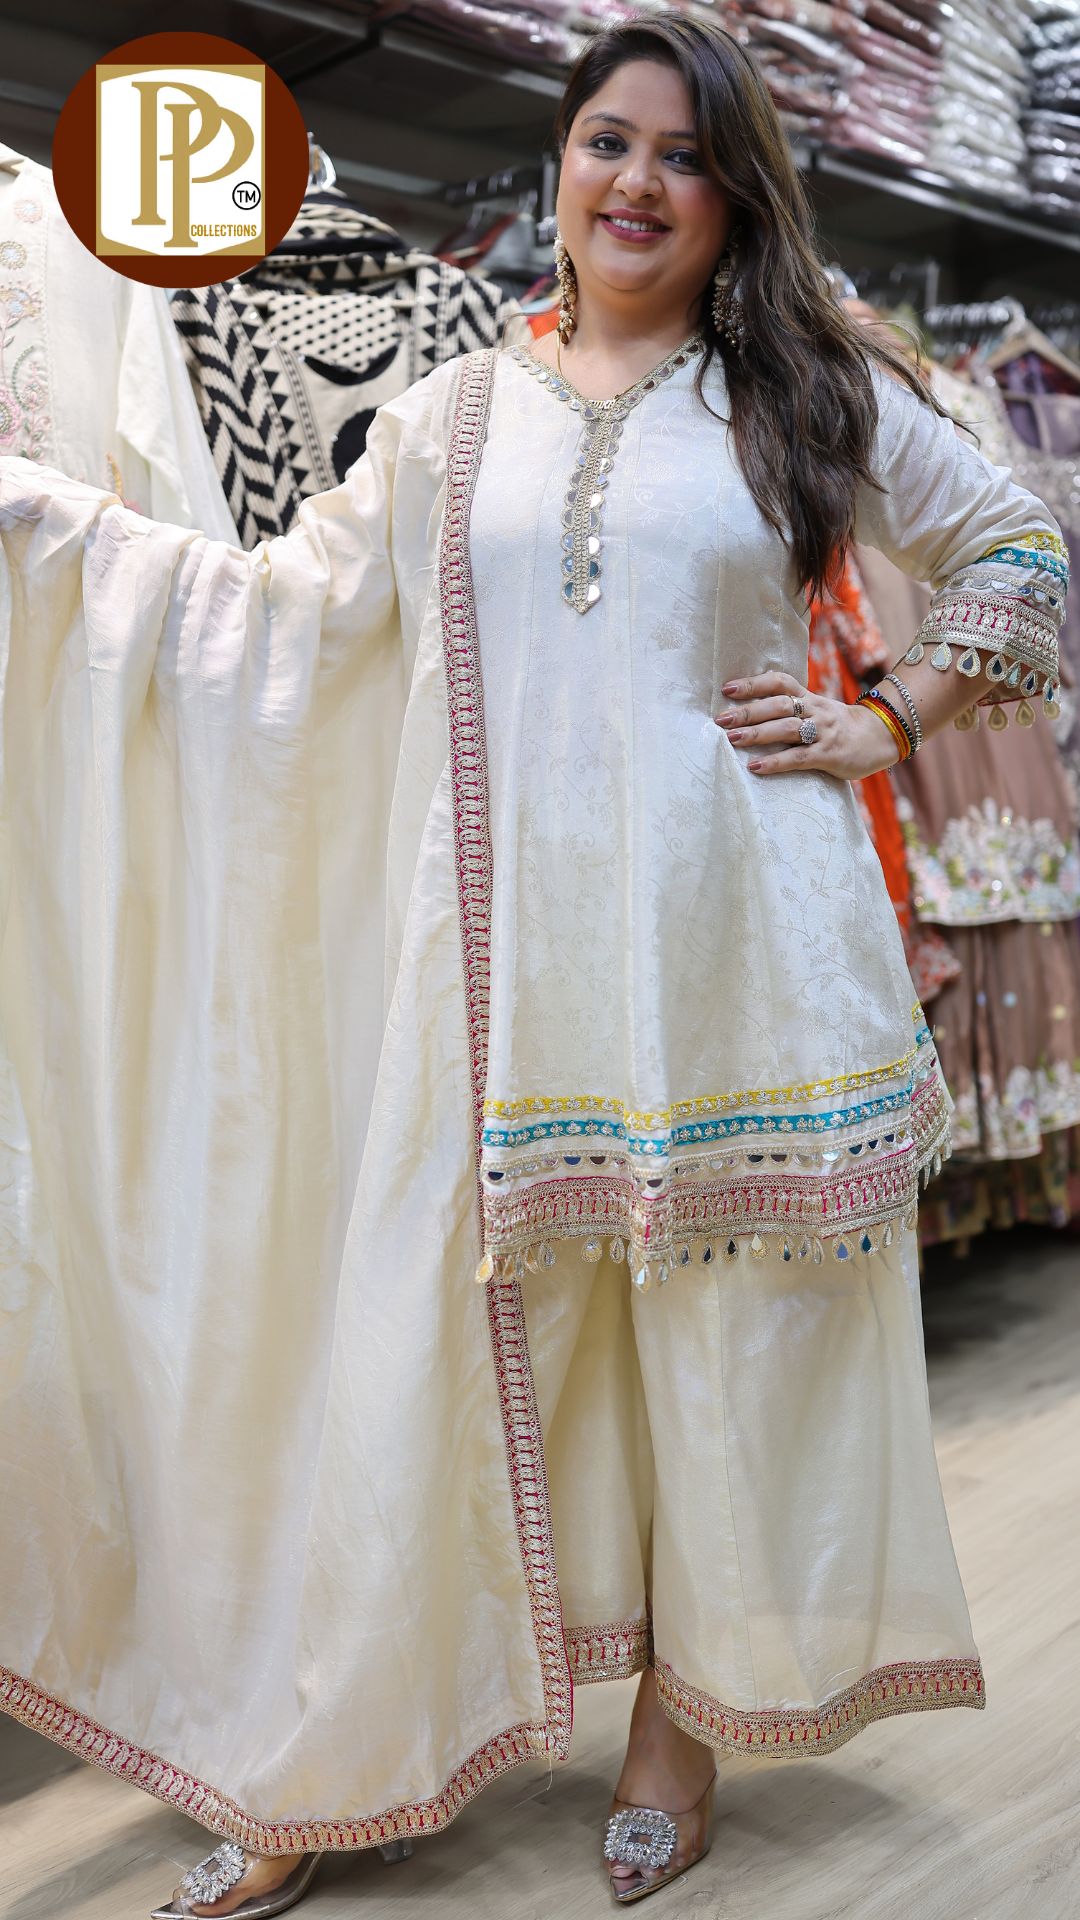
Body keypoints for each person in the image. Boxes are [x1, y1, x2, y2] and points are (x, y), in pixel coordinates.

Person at [0, 19, 1067, 1918]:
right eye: (605, 143)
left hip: (734, 956)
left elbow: (1020, 546)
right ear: (560, 169)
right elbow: (286, 622)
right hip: (490, 980)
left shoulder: (801, 386)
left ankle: (678, 1728)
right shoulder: (451, 418)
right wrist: (70, 545)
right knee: (415, 1346)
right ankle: (347, 1753)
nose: (636, 182)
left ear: (733, 195)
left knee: (722, 1355)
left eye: (682, 153)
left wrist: (886, 714)